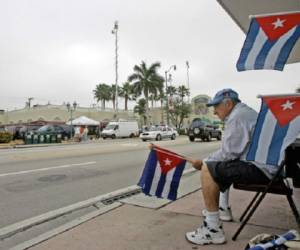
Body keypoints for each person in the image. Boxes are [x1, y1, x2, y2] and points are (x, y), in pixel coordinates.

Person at [185, 88, 276, 245]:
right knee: (218, 166)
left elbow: (228, 153)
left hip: (261, 169)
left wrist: (203, 162)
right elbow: (231, 154)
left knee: (208, 168)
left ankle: (213, 230)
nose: (214, 112)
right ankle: (222, 210)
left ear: (228, 103)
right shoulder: (245, 113)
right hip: (269, 167)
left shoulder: (237, 117)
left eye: (216, 106)